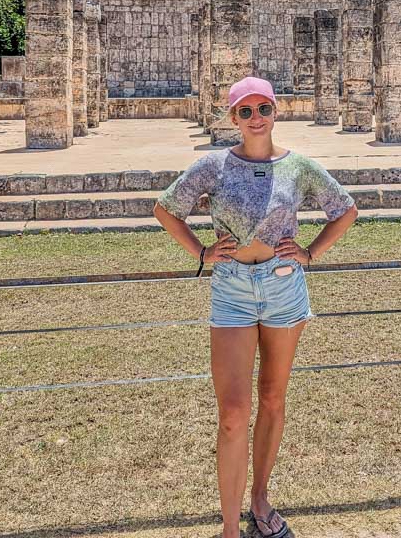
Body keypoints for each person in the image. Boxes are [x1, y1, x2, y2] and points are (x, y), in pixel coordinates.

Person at [153, 75, 359, 538]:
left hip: (284, 286)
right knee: (232, 413)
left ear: (275, 111)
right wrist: (202, 253)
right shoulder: (214, 166)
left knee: (272, 398)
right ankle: (230, 529)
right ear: (233, 119)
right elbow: (167, 209)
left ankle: (260, 501)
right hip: (232, 287)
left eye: (262, 108)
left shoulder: (299, 167)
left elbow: (344, 210)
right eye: (245, 111)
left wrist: (311, 253)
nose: (255, 118)